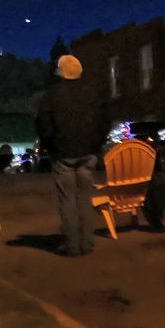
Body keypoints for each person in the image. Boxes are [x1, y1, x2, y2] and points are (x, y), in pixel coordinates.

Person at [36, 54, 106, 256]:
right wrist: (96, 144)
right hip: (88, 153)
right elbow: (105, 121)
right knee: (84, 198)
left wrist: (52, 145)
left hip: (63, 154)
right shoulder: (93, 93)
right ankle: (87, 243)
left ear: (60, 72)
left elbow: (43, 124)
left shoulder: (52, 95)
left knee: (67, 200)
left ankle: (72, 244)